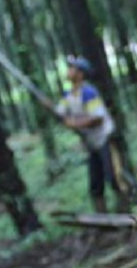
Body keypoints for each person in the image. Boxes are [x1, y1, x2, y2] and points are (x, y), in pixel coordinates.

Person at [56, 55, 132, 212]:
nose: (69, 71)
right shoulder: (69, 95)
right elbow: (60, 113)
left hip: (104, 139)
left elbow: (97, 119)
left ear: (80, 74)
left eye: (72, 68)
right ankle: (102, 216)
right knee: (95, 182)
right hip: (91, 144)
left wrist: (74, 123)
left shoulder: (89, 92)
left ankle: (126, 211)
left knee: (114, 177)